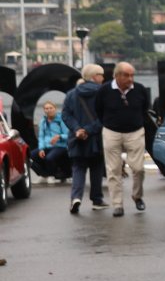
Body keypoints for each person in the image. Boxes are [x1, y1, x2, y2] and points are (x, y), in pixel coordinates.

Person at [94, 62, 154, 217]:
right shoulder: (104, 90)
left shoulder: (139, 89)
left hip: (135, 132)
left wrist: (136, 122)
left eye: (132, 75)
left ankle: (137, 196)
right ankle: (117, 204)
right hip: (111, 132)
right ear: (117, 76)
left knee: (138, 168)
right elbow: (98, 110)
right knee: (113, 170)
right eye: (126, 75)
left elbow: (145, 109)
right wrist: (108, 123)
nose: (130, 79)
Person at [62, 64, 107, 213]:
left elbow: (65, 115)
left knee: (78, 168)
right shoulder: (102, 93)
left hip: (77, 139)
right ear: (94, 77)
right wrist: (88, 130)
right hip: (96, 138)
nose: (103, 78)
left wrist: (77, 129)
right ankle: (96, 199)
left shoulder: (71, 94)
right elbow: (105, 116)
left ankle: (76, 197)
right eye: (101, 75)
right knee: (96, 168)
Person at [32, 100, 71, 181]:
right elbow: (41, 137)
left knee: (49, 158)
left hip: (60, 146)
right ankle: (44, 174)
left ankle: (54, 175)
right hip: (47, 146)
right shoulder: (43, 121)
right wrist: (41, 149)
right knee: (30, 156)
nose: (49, 110)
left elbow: (68, 135)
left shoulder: (61, 120)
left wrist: (59, 136)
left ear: (55, 109)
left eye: (51, 108)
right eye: (46, 108)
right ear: (44, 110)